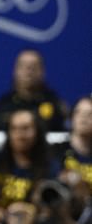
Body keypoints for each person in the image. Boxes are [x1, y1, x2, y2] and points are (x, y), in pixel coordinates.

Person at [0, 109, 61, 224]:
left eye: (25, 129)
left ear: (37, 131)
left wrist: (34, 213)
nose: (20, 135)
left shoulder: (50, 166)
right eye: (14, 129)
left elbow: (55, 209)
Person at [0, 49, 67, 132]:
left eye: (34, 66)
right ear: (15, 71)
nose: (28, 71)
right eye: (23, 66)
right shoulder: (1, 106)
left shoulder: (56, 105)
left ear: (43, 72)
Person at [51, 95, 92, 223]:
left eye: (90, 114)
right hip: (63, 211)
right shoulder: (56, 150)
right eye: (78, 112)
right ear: (72, 117)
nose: (83, 118)